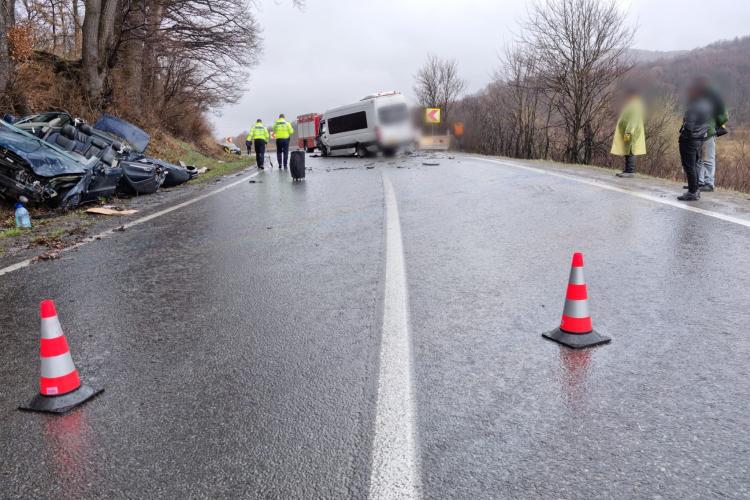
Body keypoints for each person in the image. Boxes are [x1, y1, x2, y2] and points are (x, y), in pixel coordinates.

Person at [677, 83, 713, 201]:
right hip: (700, 138)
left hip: (690, 139)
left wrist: (683, 137)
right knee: (694, 164)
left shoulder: (693, 106)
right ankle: (696, 189)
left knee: (689, 166)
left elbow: (689, 125)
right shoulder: (707, 105)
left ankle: (692, 192)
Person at [694, 77, 729, 192]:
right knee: (702, 159)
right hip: (702, 132)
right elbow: (723, 117)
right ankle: (702, 182)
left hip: (705, 132)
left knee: (705, 159)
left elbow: (724, 116)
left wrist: (713, 124)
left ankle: (707, 183)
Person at [611, 86, 646, 178]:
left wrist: (628, 132)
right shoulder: (632, 104)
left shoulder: (635, 105)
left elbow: (633, 121)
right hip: (628, 131)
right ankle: (627, 170)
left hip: (631, 132)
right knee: (627, 150)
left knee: (631, 150)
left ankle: (630, 171)